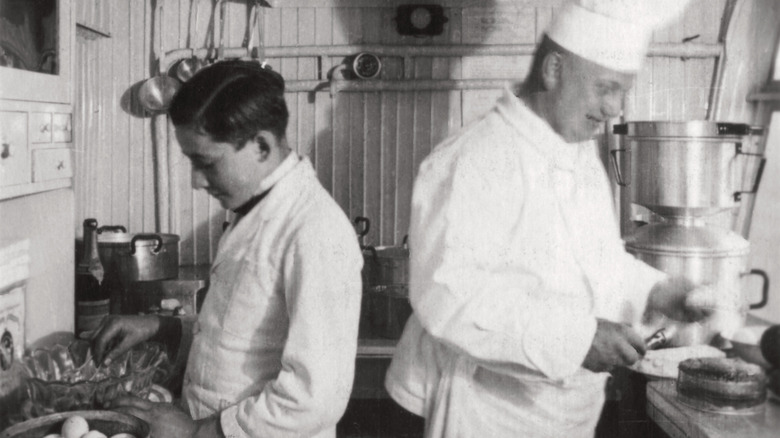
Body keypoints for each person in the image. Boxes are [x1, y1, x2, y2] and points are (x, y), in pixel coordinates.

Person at [384, 1, 704, 437]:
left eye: (623, 92)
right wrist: (576, 339)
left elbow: (597, 261)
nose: (615, 109)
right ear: (554, 69)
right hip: (482, 410)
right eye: (606, 88)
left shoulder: (575, 150)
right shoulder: (476, 158)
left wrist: (657, 290)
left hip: (562, 410)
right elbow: (448, 296)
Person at [89, 60, 363, 438]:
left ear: (262, 145)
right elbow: (242, 328)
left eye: (207, 163)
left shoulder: (315, 231)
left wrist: (196, 432)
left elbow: (314, 398)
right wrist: (163, 328)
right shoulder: (252, 210)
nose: (196, 181)